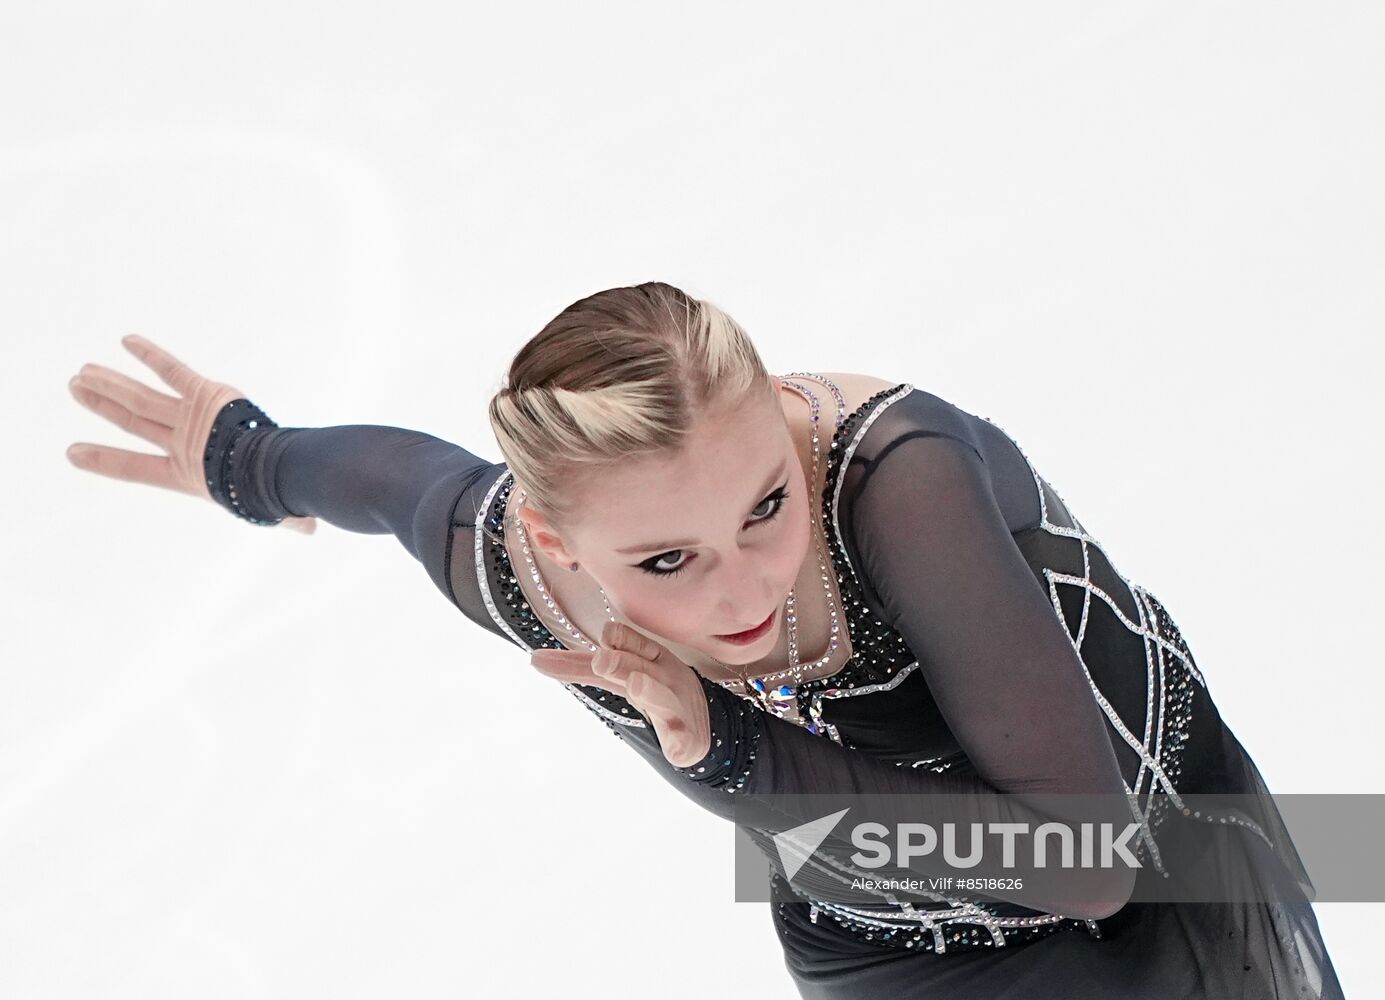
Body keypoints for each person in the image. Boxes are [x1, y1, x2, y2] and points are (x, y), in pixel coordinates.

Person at [64, 281, 1344, 998]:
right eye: (666, 560)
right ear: (559, 546)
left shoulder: (899, 485)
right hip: (894, 934)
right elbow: (402, 483)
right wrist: (254, 461)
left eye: (766, 504)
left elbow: (1088, 866)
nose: (743, 580)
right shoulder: (515, 570)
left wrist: (721, 745)